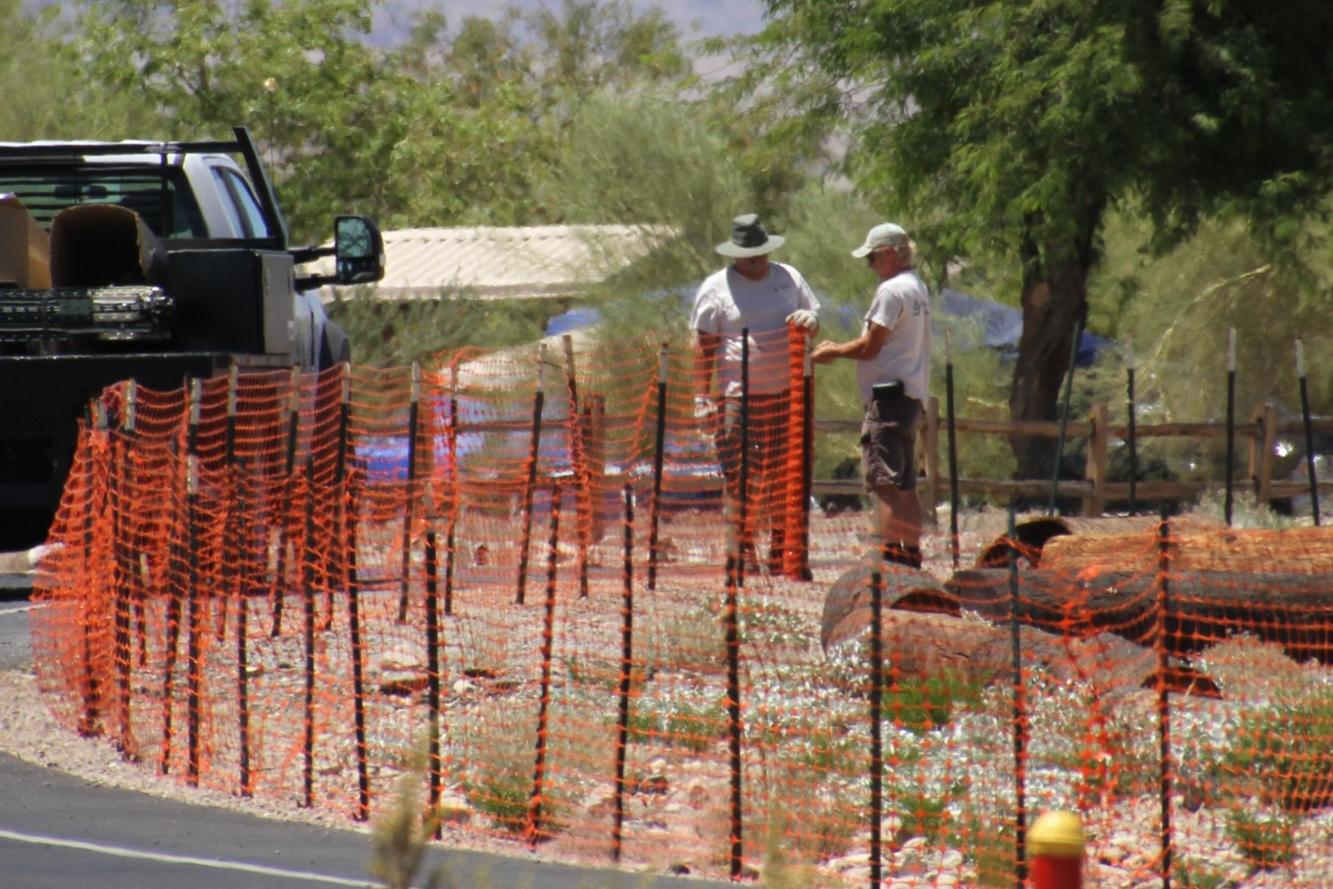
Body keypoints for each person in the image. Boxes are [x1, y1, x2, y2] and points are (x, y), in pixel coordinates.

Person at [691, 213, 820, 574]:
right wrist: (703, 397)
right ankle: (742, 551)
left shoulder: (789, 277)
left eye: (762, 254)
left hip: (791, 394)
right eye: (751, 256)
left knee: (789, 473)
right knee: (740, 476)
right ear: (736, 256)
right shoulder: (716, 289)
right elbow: (704, 345)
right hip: (738, 397)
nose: (758, 261)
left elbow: (813, 314)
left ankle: (787, 549)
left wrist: (811, 321)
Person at [812, 222, 930, 569]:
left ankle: (890, 557)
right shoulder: (917, 287)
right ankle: (910, 554)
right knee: (905, 484)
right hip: (910, 396)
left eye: (873, 257)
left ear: (890, 253)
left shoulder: (892, 291)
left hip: (889, 399)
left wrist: (832, 351)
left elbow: (869, 346)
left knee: (885, 483)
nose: (870, 265)